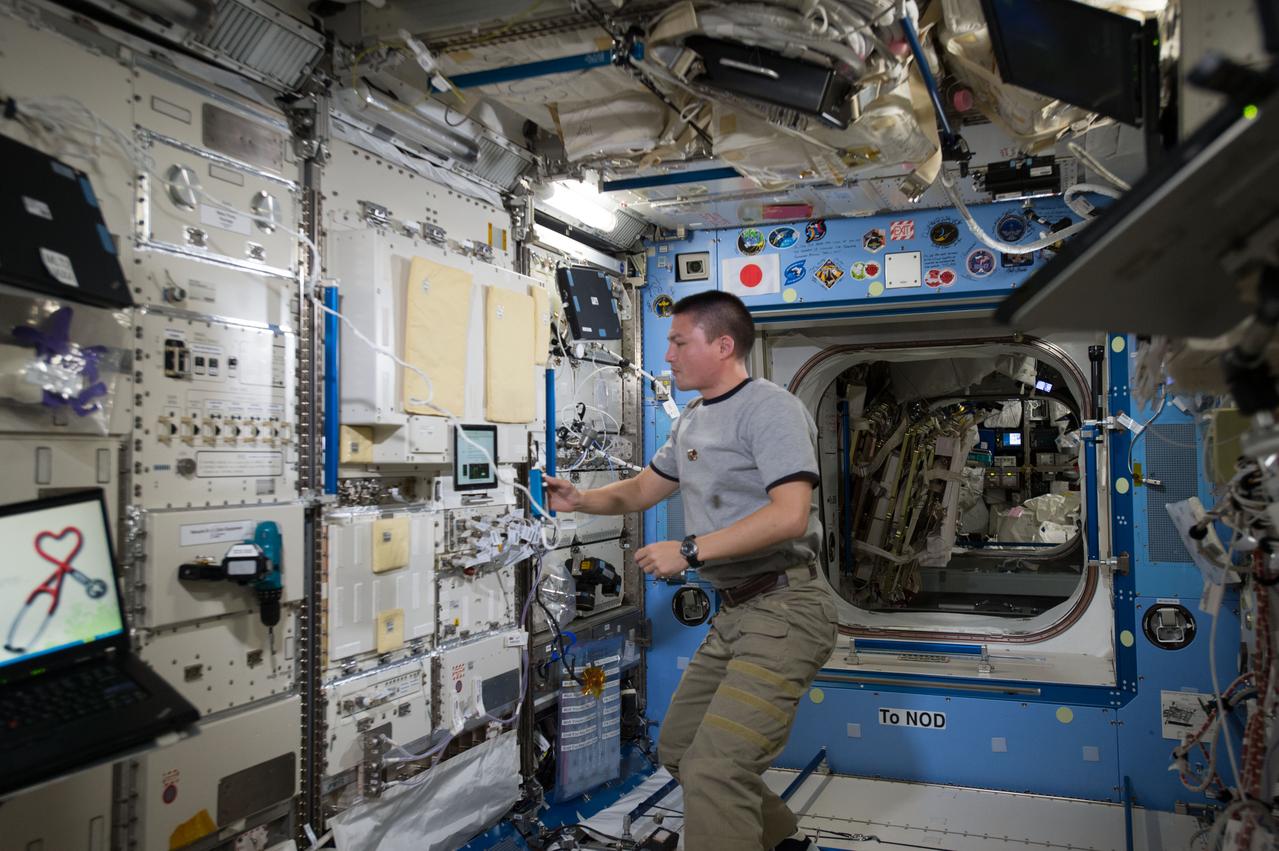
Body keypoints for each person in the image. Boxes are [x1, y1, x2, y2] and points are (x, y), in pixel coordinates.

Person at [543, 290, 838, 851]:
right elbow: (640, 490)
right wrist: (580, 499)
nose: (669, 356)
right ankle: (778, 842)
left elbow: (790, 515)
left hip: (787, 608)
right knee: (679, 751)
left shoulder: (769, 408)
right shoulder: (695, 421)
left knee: (715, 767)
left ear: (723, 345)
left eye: (680, 342)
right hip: (738, 613)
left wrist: (692, 550)